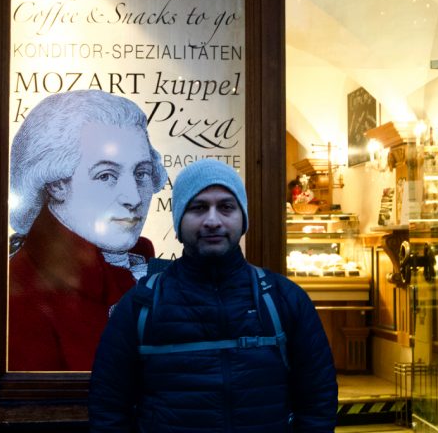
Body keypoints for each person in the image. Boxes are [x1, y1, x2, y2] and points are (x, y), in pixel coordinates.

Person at [89, 159, 338, 432]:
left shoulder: (284, 299)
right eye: (197, 208)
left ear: (242, 218)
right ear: (178, 221)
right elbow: (109, 407)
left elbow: (317, 402)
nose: (212, 220)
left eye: (226, 207)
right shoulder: (141, 305)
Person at [8, 90, 167, 371]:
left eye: (141, 173)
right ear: (55, 183)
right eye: (106, 175)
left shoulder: (151, 275)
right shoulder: (19, 295)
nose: (134, 197)